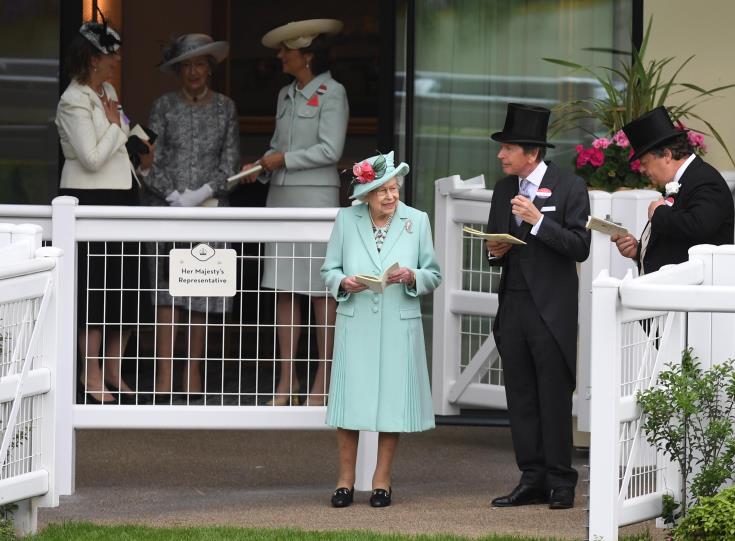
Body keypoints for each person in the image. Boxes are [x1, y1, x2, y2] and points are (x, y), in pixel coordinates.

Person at [321, 151, 442, 508]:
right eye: (381, 190)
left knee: (392, 403)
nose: (390, 196)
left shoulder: (417, 221)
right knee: (349, 405)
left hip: (398, 324)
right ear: (366, 195)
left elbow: (432, 273)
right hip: (356, 321)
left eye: (394, 189)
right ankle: (344, 482)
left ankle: (381, 481)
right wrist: (344, 281)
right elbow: (329, 270)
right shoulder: (346, 220)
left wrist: (412, 277)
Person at [485, 103, 591, 510]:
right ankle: (531, 477)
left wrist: (538, 221)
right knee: (522, 395)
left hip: (552, 307)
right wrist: (494, 251)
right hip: (513, 302)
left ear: (531, 153)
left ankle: (561, 481)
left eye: (508, 148)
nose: (501, 155)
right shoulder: (502, 189)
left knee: (552, 394)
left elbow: (580, 246)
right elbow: (496, 248)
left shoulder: (569, 187)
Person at [240, 19, 348, 406]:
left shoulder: (333, 92)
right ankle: (287, 382)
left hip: (316, 201)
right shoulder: (286, 94)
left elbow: (330, 151)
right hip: (282, 200)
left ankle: (325, 377)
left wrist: (282, 159)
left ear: (306, 55)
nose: (281, 56)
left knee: (321, 291)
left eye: (287, 50)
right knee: (284, 289)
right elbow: (276, 146)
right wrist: (260, 167)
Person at [56, 13, 153, 404]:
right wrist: (115, 128)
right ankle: (90, 374)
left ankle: (114, 370)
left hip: (123, 195)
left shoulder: (108, 90)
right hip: (93, 200)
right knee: (95, 289)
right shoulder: (72, 100)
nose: (115, 61)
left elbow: (126, 130)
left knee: (125, 287)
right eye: (110, 55)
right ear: (93, 58)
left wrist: (142, 145)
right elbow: (92, 157)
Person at [143, 34, 240, 404]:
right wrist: (172, 195)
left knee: (201, 288)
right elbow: (146, 158)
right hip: (166, 210)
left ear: (210, 69)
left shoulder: (225, 108)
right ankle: (165, 375)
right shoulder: (162, 107)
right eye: (187, 65)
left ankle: (192, 372)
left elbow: (230, 164)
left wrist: (200, 194)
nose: (194, 72)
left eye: (200, 64)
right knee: (168, 293)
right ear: (178, 71)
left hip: (210, 212)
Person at [611, 106, 734, 274]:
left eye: (645, 162)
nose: (641, 170)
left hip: (693, 293)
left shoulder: (705, 180)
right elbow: (677, 241)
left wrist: (659, 213)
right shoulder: (682, 181)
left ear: (667, 155)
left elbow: (700, 226)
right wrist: (639, 251)